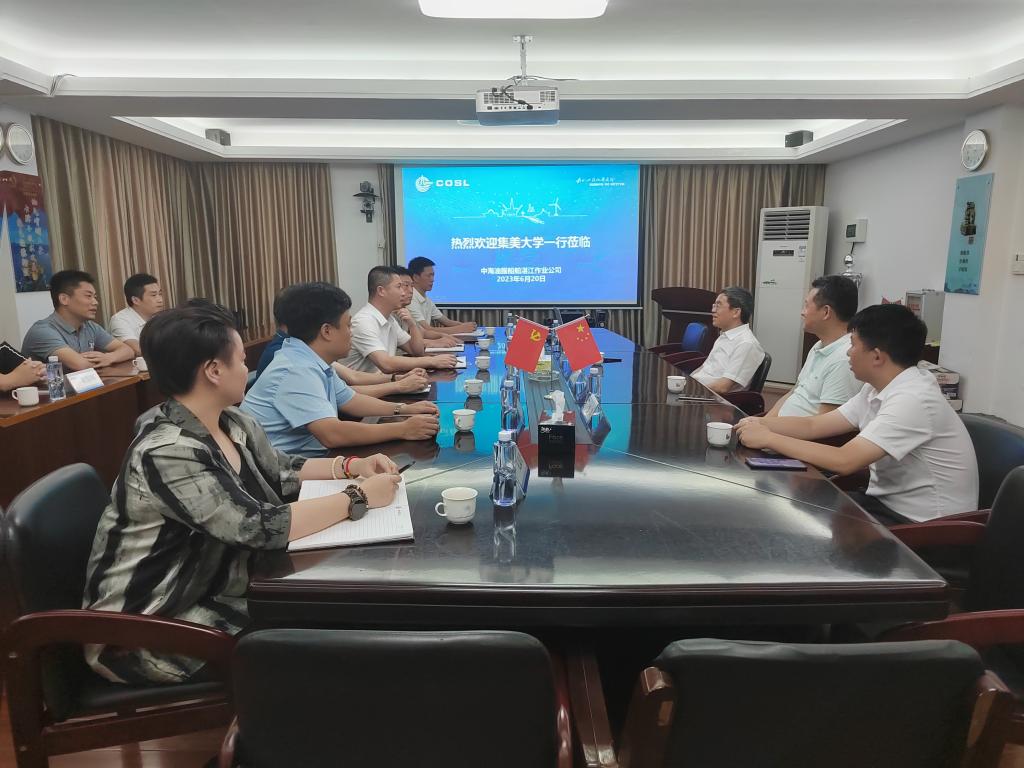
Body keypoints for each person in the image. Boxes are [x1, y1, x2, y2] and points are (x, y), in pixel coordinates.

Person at [83, 304, 401, 684]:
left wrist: (352, 466)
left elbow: (281, 469)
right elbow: (258, 528)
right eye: (240, 359)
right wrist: (357, 496)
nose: (247, 368)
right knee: (331, 641)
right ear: (213, 371)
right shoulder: (168, 451)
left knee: (339, 617)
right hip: (153, 628)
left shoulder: (232, 420)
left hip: (220, 589)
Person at [736, 304, 978, 524]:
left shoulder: (913, 399)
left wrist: (769, 438)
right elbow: (814, 425)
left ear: (877, 356)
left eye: (852, 345)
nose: (848, 353)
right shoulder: (875, 388)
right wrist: (756, 423)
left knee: (796, 522)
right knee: (793, 508)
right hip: (881, 503)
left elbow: (845, 460)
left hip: (924, 525)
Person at [242, 281, 440, 456]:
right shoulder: (296, 369)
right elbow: (332, 434)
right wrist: (403, 429)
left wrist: (404, 409)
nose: (351, 332)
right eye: (348, 325)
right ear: (327, 331)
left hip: (310, 459)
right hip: (284, 474)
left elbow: (350, 400)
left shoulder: (311, 358)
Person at [255, 285, 431, 395]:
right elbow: (335, 421)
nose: (350, 331)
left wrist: (397, 379)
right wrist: (398, 385)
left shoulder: (301, 347)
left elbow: (350, 379)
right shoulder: (285, 356)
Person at [766, 275, 860, 417]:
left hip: (791, 431)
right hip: (777, 426)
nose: (802, 312)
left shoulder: (844, 359)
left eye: (806, 306)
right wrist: (764, 421)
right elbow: (794, 392)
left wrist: (766, 427)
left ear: (826, 312)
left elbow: (824, 424)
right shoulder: (819, 345)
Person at [341, 266, 458, 374]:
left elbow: (416, 351)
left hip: (386, 381)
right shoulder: (364, 321)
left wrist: (412, 325)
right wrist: (432, 361)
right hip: (367, 387)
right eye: (399, 287)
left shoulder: (389, 319)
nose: (403, 293)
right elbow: (385, 364)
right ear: (381, 291)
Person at [21, 270, 135, 370]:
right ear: (64, 299)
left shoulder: (90, 326)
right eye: (88, 296)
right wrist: (105, 358)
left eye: (95, 297)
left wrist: (109, 357)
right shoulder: (43, 331)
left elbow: (128, 350)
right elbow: (81, 365)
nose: (95, 302)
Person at [690, 286, 765, 394]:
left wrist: (692, 388)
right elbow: (704, 368)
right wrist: (688, 381)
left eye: (718, 305)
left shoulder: (746, 344)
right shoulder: (725, 336)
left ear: (736, 312)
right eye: (714, 305)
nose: (713, 310)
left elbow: (722, 387)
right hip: (698, 390)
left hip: (712, 398)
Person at [394, 266, 463, 346]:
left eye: (412, 286)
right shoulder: (390, 316)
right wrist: (433, 343)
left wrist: (443, 336)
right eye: (405, 285)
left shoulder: (404, 309)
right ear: (383, 290)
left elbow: (423, 332)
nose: (411, 290)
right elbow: (408, 344)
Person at [407, 257, 477, 334]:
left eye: (433, 275)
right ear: (416, 277)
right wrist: (461, 329)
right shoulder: (410, 299)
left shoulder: (426, 299)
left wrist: (466, 326)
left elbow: (447, 322)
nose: (432, 279)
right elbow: (426, 330)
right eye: (429, 276)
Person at [108, 273, 165, 356]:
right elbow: (138, 350)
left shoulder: (161, 317)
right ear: (135, 300)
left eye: (160, 294)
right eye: (153, 295)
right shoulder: (120, 320)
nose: (160, 300)